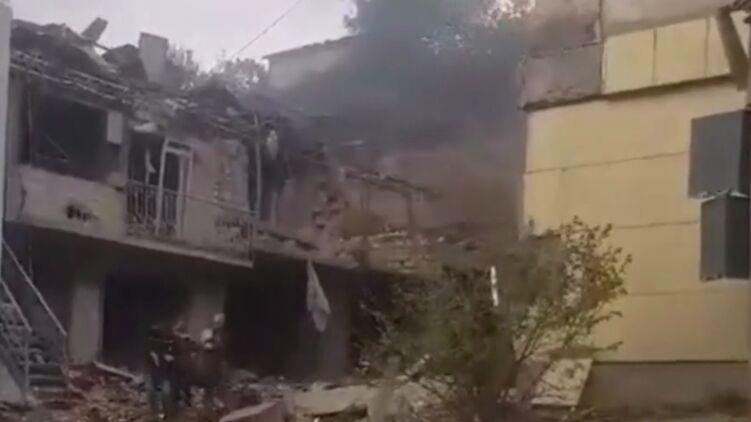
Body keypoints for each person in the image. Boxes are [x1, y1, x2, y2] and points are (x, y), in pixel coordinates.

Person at [145, 324, 179, 420]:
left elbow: (171, 360)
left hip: (163, 374)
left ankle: (164, 412)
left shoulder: (165, 347)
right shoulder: (151, 347)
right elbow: (149, 360)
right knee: (156, 393)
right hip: (157, 374)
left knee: (163, 394)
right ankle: (158, 412)